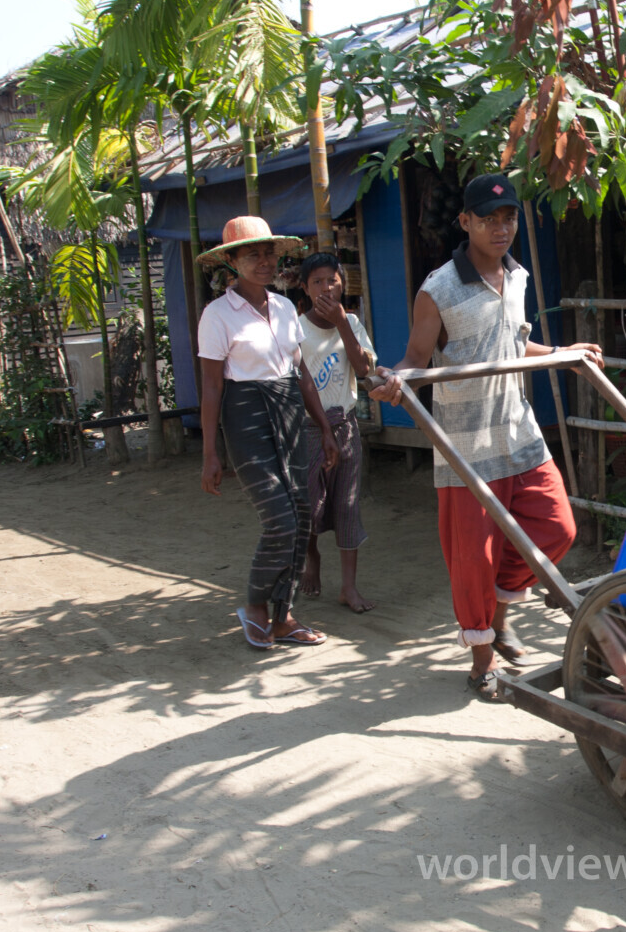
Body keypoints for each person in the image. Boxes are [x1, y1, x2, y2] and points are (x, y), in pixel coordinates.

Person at [371, 173, 603, 701]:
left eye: (509, 218)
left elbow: (513, 345)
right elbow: (415, 358)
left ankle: (500, 612)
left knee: (557, 528)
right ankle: (482, 661)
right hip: (465, 446)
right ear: (466, 223)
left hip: (518, 432)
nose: (501, 228)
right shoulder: (438, 289)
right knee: (472, 557)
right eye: (489, 219)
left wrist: (566, 356)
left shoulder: (517, 276)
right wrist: (395, 381)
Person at [197, 216, 338, 650]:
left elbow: (302, 374)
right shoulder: (217, 315)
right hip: (246, 418)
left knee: (301, 519)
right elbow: (212, 386)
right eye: (252, 254)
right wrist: (210, 454)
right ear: (232, 261)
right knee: (278, 518)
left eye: (269, 253)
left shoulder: (282, 308)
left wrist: (325, 429)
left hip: (291, 413)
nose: (264, 261)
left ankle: (284, 616)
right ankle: (256, 606)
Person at [295, 252, 377, 614]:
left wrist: (343, 323)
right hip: (311, 431)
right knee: (311, 507)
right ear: (305, 288)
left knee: (347, 506)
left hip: (346, 427)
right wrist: (323, 429)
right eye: (317, 282)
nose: (326, 287)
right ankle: (312, 555)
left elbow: (363, 369)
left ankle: (348, 588)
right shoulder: (298, 329)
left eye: (332, 280)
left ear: (343, 282)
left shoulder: (353, 323)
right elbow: (298, 383)